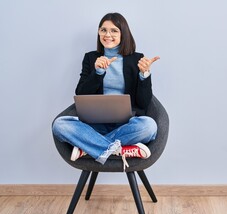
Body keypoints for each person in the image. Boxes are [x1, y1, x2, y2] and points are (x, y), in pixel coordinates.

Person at [52, 13, 160, 170]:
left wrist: (144, 75)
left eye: (114, 30)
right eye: (103, 30)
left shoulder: (136, 59)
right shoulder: (90, 58)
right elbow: (81, 94)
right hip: (95, 125)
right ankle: (120, 150)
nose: (107, 35)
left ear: (123, 33)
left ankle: (88, 148)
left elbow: (143, 102)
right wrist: (97, 72)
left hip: (126, 125)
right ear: (99, 32)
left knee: (149, 126)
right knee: (59, 125)